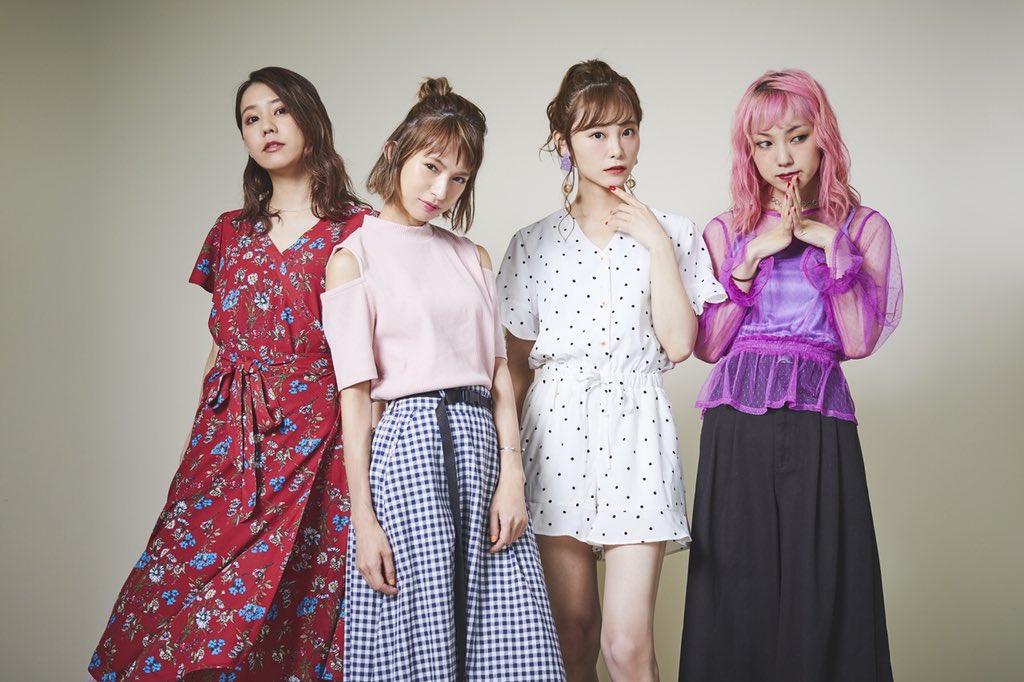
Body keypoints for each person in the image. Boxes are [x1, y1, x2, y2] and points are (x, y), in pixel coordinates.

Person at [88, 66, 371, 681]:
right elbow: (220, 346)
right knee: (184, 587)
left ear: (311, 118)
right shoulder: (229, 230)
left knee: (301, 599)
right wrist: (198, 434)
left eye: (280, 111)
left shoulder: (359, 229)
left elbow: (374, 352)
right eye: (251, 118)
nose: (267, 126)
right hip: (227, 438)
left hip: (318, 439)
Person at [321, 77, 565, 682]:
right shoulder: (353, 259)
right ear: (395, 151)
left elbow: (499, 372)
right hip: (407, 451)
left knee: (511, 640)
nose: (441, 190)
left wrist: (513, 477)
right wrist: (363, 520)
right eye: (431, 167)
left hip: (481, 445)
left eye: (459, 178)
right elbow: (355, 400)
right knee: (418, 637)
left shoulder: (470, 256)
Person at [496, 60, 725, 681]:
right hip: (554, 437)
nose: (616, 148)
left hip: (637, 433)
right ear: (563, 143)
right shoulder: (532, 243)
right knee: (572, 638)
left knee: (626, 645)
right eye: (596, 133)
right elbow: (513, 370)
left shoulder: (673, 232)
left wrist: (655, 242)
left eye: (627, 130)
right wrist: (505, 466)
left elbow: (680, 342)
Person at [678, 69, 902, 682]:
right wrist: (751, 256)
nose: (782, 158)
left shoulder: (864, 228)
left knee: (825, 580)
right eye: (765, 143)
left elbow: (857, 341)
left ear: (822, 139)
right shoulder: (726, 231)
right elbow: (708, 345)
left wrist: (831, 246)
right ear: (748, 152)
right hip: (737, 423)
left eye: (797, 138)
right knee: (734, 585)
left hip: (819, 420)